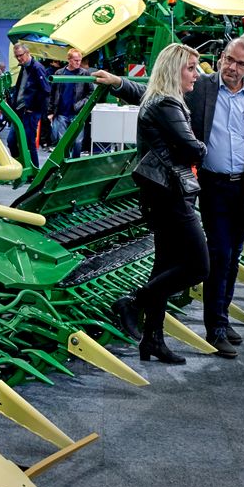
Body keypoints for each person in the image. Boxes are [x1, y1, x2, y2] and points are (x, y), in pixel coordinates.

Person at [96, 44, 209, 364]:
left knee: (165, 266)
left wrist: (119, 83)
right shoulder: (167, 104)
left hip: (161, 192)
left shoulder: (159, 99)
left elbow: (141, 92)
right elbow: (192, 150)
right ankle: (132, 302)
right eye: (190, 68)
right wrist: (201, 145)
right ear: (174, 71)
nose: (196, 75)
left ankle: (152, 340)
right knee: (199, 266)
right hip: (171, 194)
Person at [186, 38, 244, 357]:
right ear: (221, 57)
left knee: (234, 256)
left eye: (241, 64)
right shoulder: (201, 89)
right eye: (228, 60)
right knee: (220, 255)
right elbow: (156, 91)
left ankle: (222, 320)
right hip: (213, 186)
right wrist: (118, 82)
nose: (232, 68)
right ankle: (215, 328)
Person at [7, 43, 51, 167]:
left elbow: (46, 91)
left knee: (28, 143)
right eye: (17, 56)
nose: (19, 58)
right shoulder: (24, 68)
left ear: (27, 53)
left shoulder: (37, 68)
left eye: (21, 55)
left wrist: (34, 109)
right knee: (11, 141)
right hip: (20, 111)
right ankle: (19, 168)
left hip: (30, 112)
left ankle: (33, 171)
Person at [48, 48, 94, 158]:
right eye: (76, 60)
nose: (78, 63)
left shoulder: (84, 74)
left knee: (78, 143)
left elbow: (91, 92)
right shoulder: (59, 73)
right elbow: (53, 94)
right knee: (63, 143)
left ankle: (74, 163)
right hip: (61, 113)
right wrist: (50, 111)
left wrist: (82, 104)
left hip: (77, 113)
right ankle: (65, 164)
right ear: (69, 60)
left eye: (80, 60)